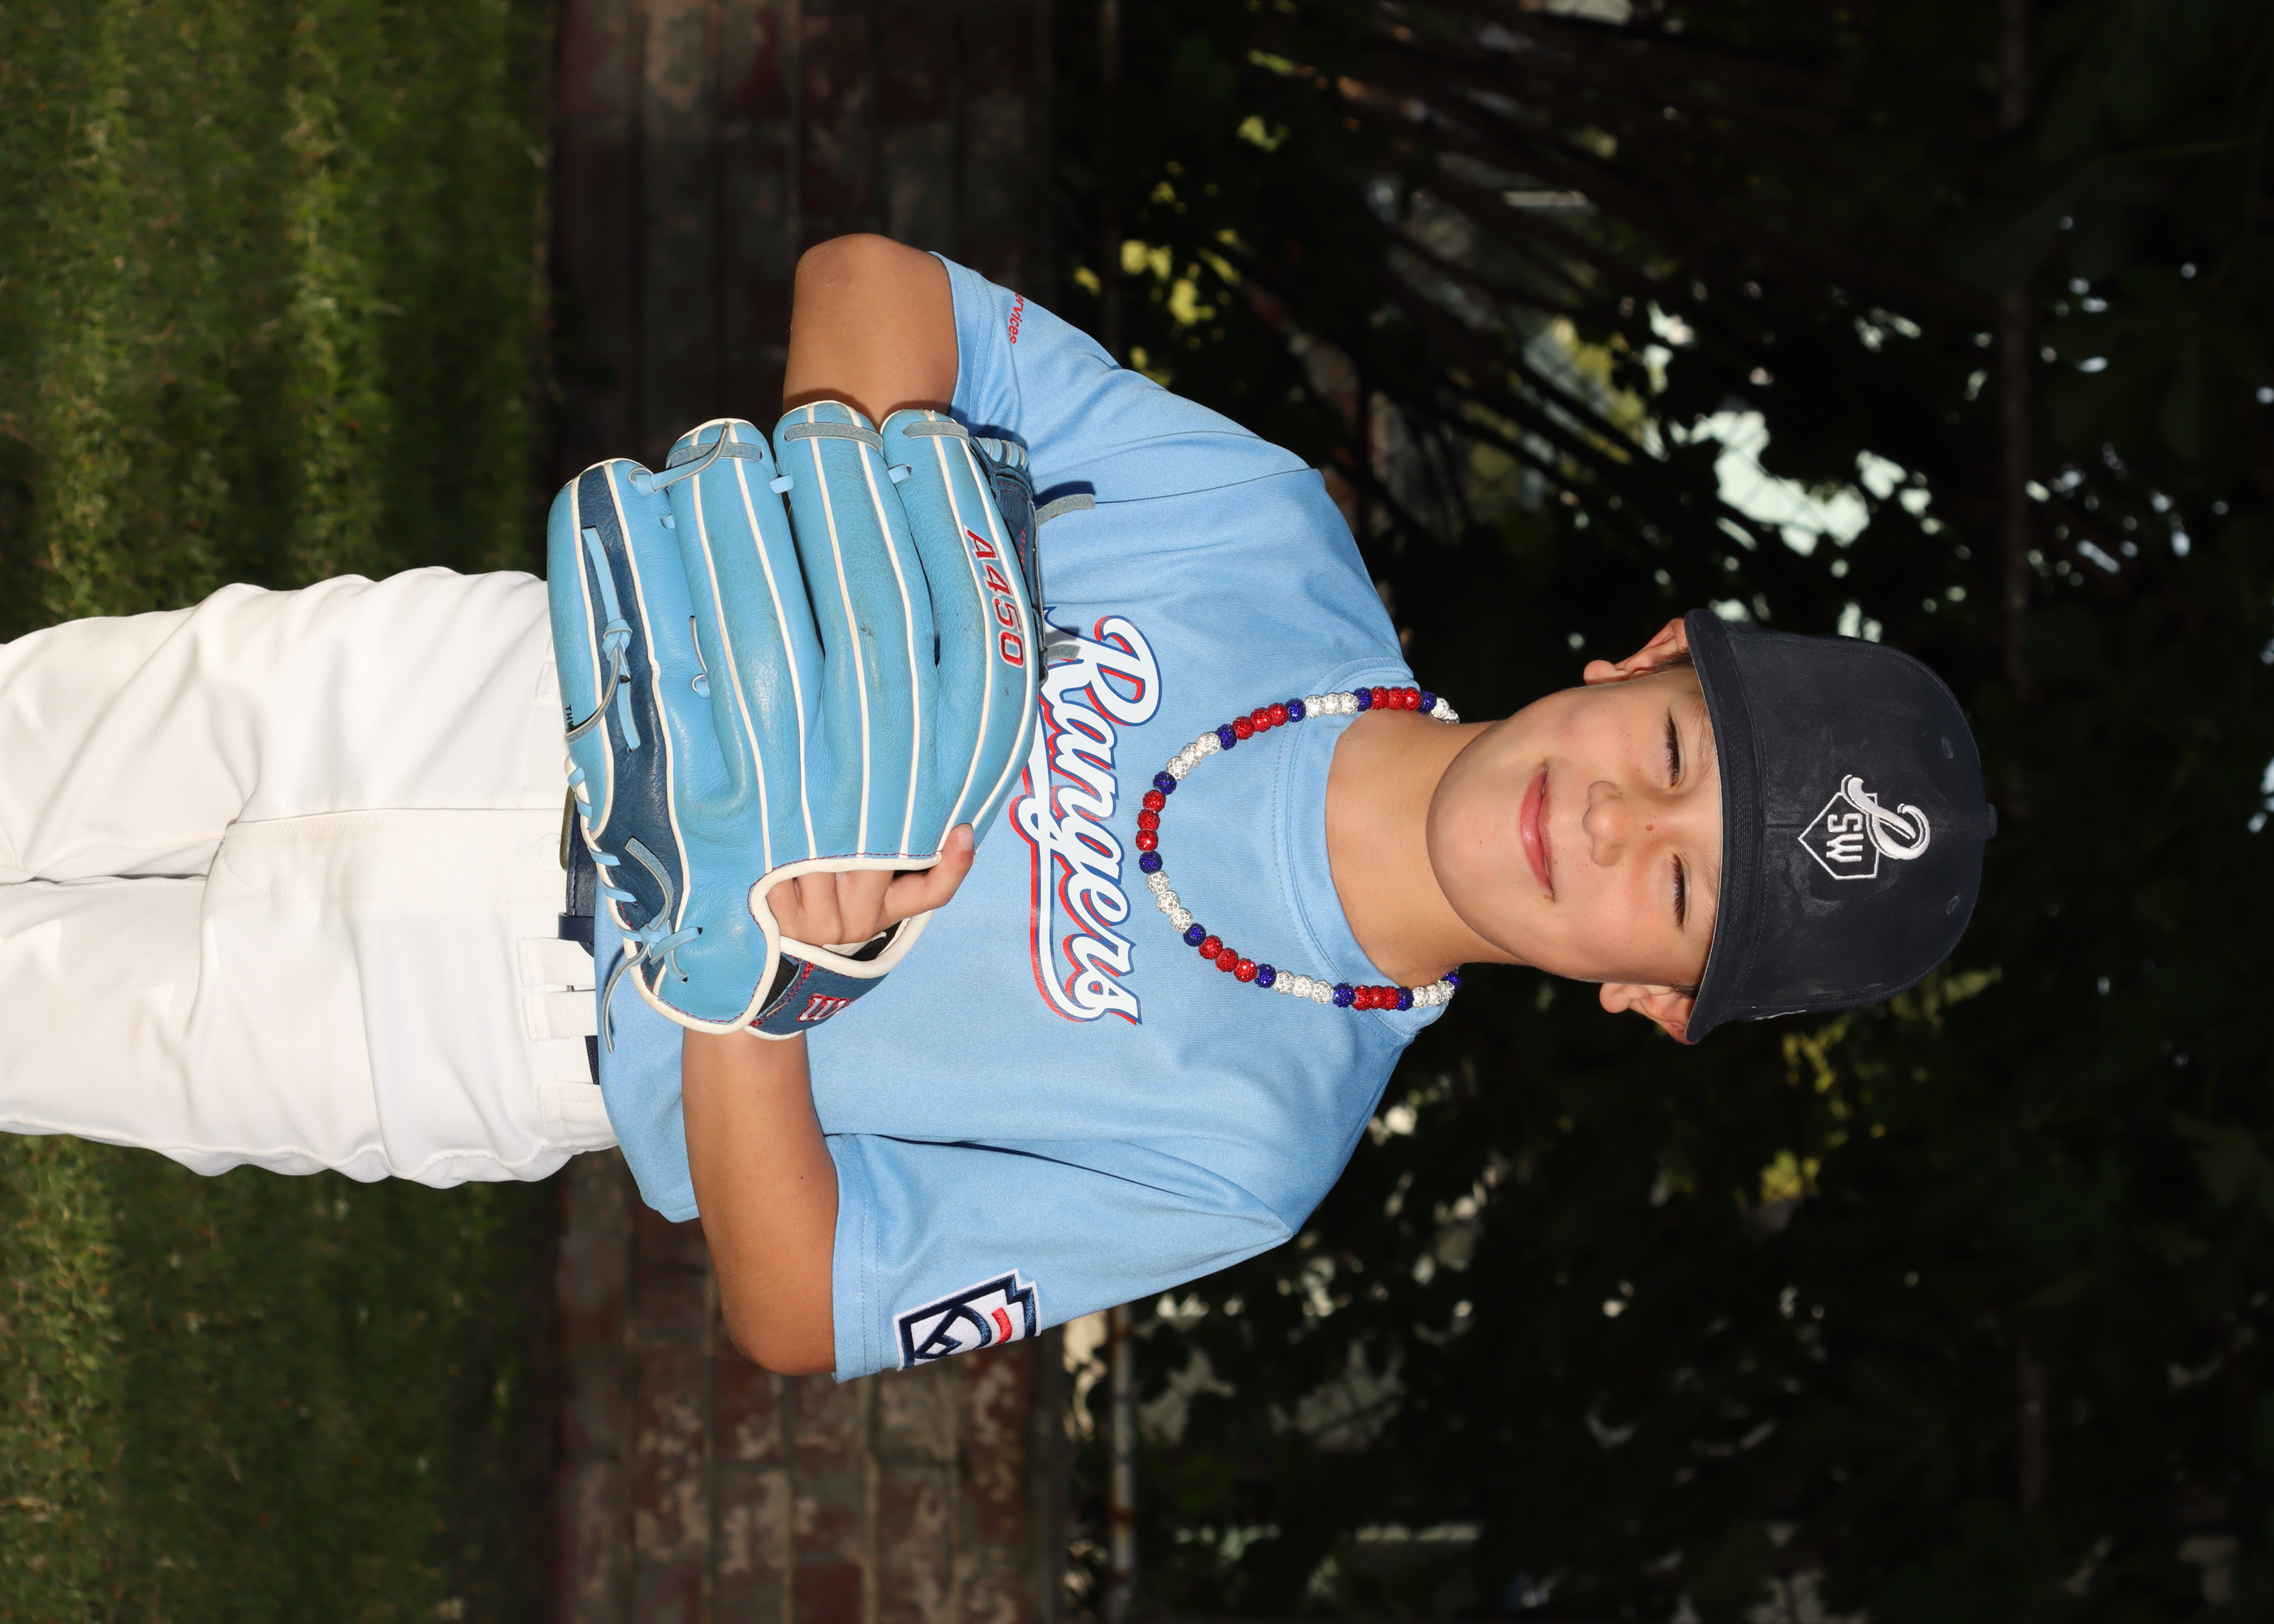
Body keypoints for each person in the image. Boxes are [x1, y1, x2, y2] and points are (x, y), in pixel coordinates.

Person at [0, 235, 1993, 1380]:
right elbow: (877, 283)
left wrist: (765, 991)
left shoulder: (1252, 1148)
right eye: (1677, 764)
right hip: (494, 683)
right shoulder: (1263, 540)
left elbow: (802, 1302)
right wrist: (854, 586)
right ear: (1643, 658)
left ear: (1649, 1000)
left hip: (479, 1037)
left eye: (1677, 898)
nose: (1618, 830)